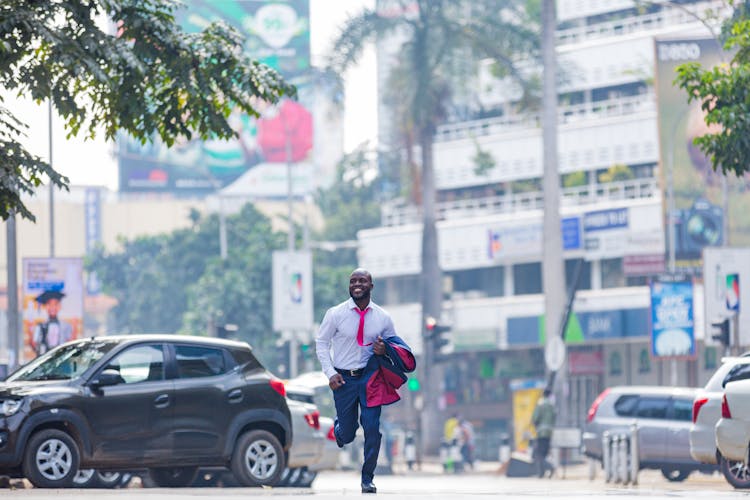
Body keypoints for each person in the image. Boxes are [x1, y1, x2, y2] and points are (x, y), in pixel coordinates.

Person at [315, 268, 415, 494]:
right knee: (348, 434)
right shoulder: (335, 313)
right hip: (343, 379)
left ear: (371, 286)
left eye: (362, 281)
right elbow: (321, 343)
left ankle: (367, 478)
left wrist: (384, 349)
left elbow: (395, 347)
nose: (356, 284)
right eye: (353, 281)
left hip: (371, 378)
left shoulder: (383, 317)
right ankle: (340, 427)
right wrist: (330, 373)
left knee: (372, 427)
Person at [31, 290, 73, 356]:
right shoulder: (40, 326)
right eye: (49, 304)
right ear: (46, 307)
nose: (52, 307)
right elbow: (34, 343)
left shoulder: (66, 326)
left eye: (55, 304)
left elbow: (69, 342)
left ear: (59, 306)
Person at [531, 388, 557, 478]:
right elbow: (554, 417)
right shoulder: (551, 405)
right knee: (544, 453)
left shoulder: (540, 404)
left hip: (541, 433)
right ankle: (542, 473)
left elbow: (535, 418)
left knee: (539, 454)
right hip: (549, 433)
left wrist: (535, 426)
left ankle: (549, 468)